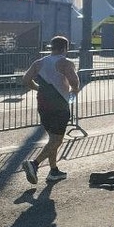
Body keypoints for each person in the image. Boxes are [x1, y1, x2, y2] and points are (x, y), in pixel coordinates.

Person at [20, 35, 80, 184]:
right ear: (65, 48)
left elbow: (26, 80)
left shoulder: (39, 62)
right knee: (57, 140)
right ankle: (34, 164)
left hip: (43, 104)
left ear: (51, 47)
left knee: (52, 138)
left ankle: (54, 170)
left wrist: (39, 88)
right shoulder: (65, 62)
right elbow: (74, 81)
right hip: (59, 104)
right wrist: (74, 90)